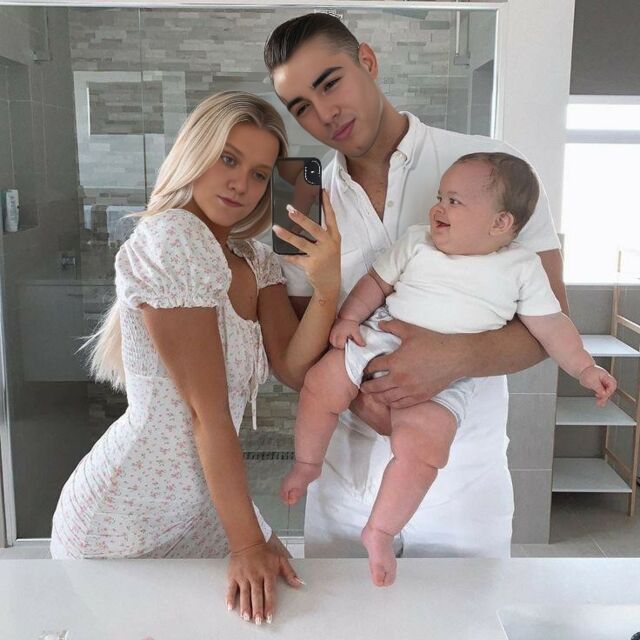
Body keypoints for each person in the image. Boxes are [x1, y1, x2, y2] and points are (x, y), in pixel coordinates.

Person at [264, 13, 569, 560]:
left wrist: (452, 358)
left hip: (461, 482)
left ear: (367, 60)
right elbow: (295, 362)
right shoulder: (302, 202)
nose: (324, 113)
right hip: (341, 485)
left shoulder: (493, 171)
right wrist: (358, 388)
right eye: (301, 107)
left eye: (330, 83)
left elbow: (547, 327)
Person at [49, 91, 342, 625]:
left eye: (259, 174)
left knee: (279, 610)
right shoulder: (174, 240)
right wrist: (247, 542)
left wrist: (325, 287)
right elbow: (207, 414)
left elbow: (294, 369)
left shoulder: (252, 258)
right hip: (122, 522)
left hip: (199, 504)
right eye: (228, 159)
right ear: (195, 152)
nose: (241, 184)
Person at [280, 152, 617, 586]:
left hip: (449, 380)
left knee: (425, 450)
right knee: (319, 383)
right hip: (379, 336)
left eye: (454, 201)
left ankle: (379, 529)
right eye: (440, 197)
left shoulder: (521, 268)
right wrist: (348, 319)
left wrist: (585, 368)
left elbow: (552, 326)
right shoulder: (417, 241)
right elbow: (376, 283)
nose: (438, 207)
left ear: (500, 223)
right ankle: (307, 463)